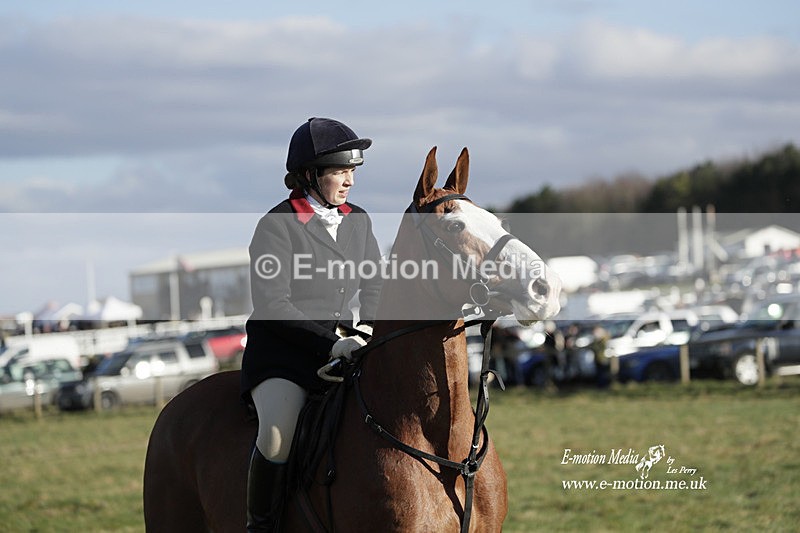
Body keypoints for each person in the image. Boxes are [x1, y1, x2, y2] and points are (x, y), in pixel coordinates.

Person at [241, 117, 382, 532]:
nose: (349, 181)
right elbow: (273, 304)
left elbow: (374, 281)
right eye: (340, 171)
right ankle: (262, 526)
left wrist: (368, 328)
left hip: (347, 348)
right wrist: (331, 344)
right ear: (309, 175)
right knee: (277, 437)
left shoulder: (358, 219)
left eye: (352, 171)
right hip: (284, 357)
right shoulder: (276, 225)